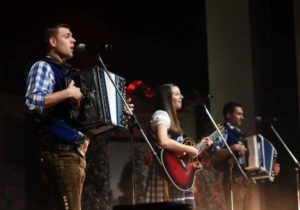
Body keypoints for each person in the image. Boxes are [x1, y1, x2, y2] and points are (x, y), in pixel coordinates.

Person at [25, 23, 133, 210]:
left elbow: (86, 119)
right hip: (58, 152)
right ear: (52, 41)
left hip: (73, 153)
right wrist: (67, 93)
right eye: (67, 36)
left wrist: (118, 112)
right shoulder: (43, 66)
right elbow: (33, 102)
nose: (73, 40)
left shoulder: (71, 73)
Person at [144, 83, 213, 209]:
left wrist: (201, 146)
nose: (181, 96)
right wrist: (188, 148)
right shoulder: (161, 115)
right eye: (176, 94)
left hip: (177, 176)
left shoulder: (170, 118)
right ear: (167, 98)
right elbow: (164, 141)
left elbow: (179, 153)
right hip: (166, 173)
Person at [211, 101, 280, 210]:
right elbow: (214, 155)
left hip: (245, 181)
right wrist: (234, 147)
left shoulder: (242, 135)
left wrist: (270, 171)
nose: (242, 117)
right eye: (239, 114)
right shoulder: (221, 129)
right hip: (231, 180)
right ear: (229, 115)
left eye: (242, 114)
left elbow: (249, 165)